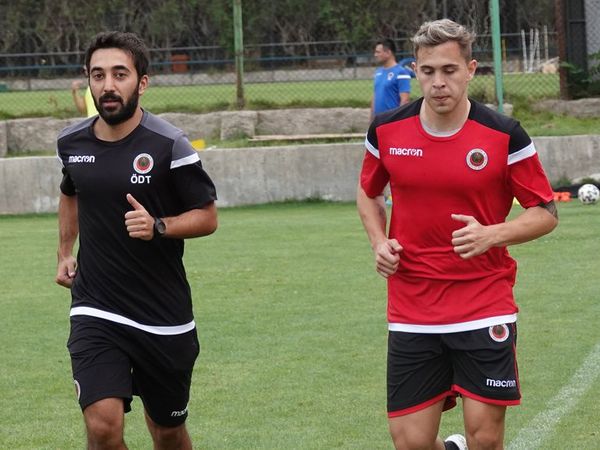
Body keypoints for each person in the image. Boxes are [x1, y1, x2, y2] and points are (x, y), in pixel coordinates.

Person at [357, 19, 558, 450]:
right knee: (410, 443)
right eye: (428, 71)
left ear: (471, 69)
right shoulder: (387, 131)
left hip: (483, 302)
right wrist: (378, 241)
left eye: (449, 70)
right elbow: (368, 193)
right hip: (413, 305)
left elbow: (545, 211)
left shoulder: (504, 134)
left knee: (484, 439)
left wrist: (492, 234)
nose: (438, 83)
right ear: (415, 70)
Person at [56, 31, 218, 450]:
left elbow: (207, 216)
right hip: (96, 307)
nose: (108, 85)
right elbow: (70, 192)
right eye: (98, 75)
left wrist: (158, 226)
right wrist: (64, 252)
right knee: (103, 427)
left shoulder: (170, 145)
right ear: (88, 81)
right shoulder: (72, 144)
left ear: (142, 82)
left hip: (163, 315)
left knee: (167, 432)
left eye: (119, 74)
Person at [371, 38, 412, 119]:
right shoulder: (378, 72)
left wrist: (397, 121)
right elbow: (375, 96)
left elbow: (405, 100)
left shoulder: (401, 72)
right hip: (378, 121)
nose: (375, 55)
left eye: (378, 52)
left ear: (388, 53)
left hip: (391, 121)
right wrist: (371, 119)